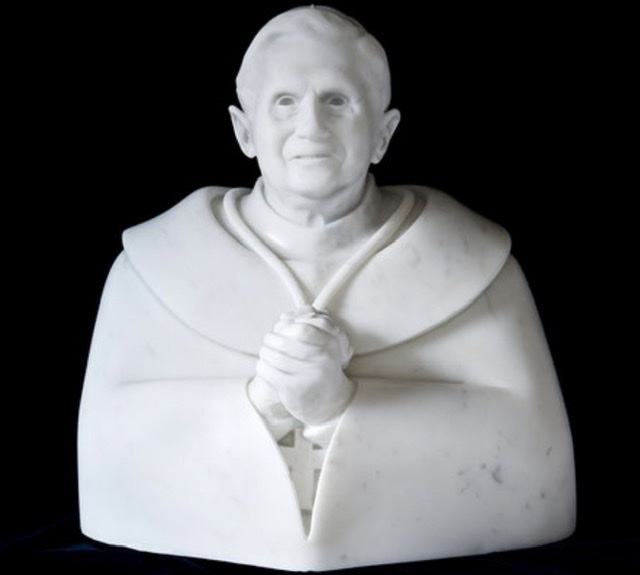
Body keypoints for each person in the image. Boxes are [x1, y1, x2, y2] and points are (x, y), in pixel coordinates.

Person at [78, 6, 575, 572]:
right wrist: (263, 403)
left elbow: (536, 465)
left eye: (337, 100)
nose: (310, 125)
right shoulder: (150, 270)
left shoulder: (476, 268)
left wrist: (339, 407)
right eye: (284, 102)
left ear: (383, 134)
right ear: (244, 131)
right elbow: (110, 457)